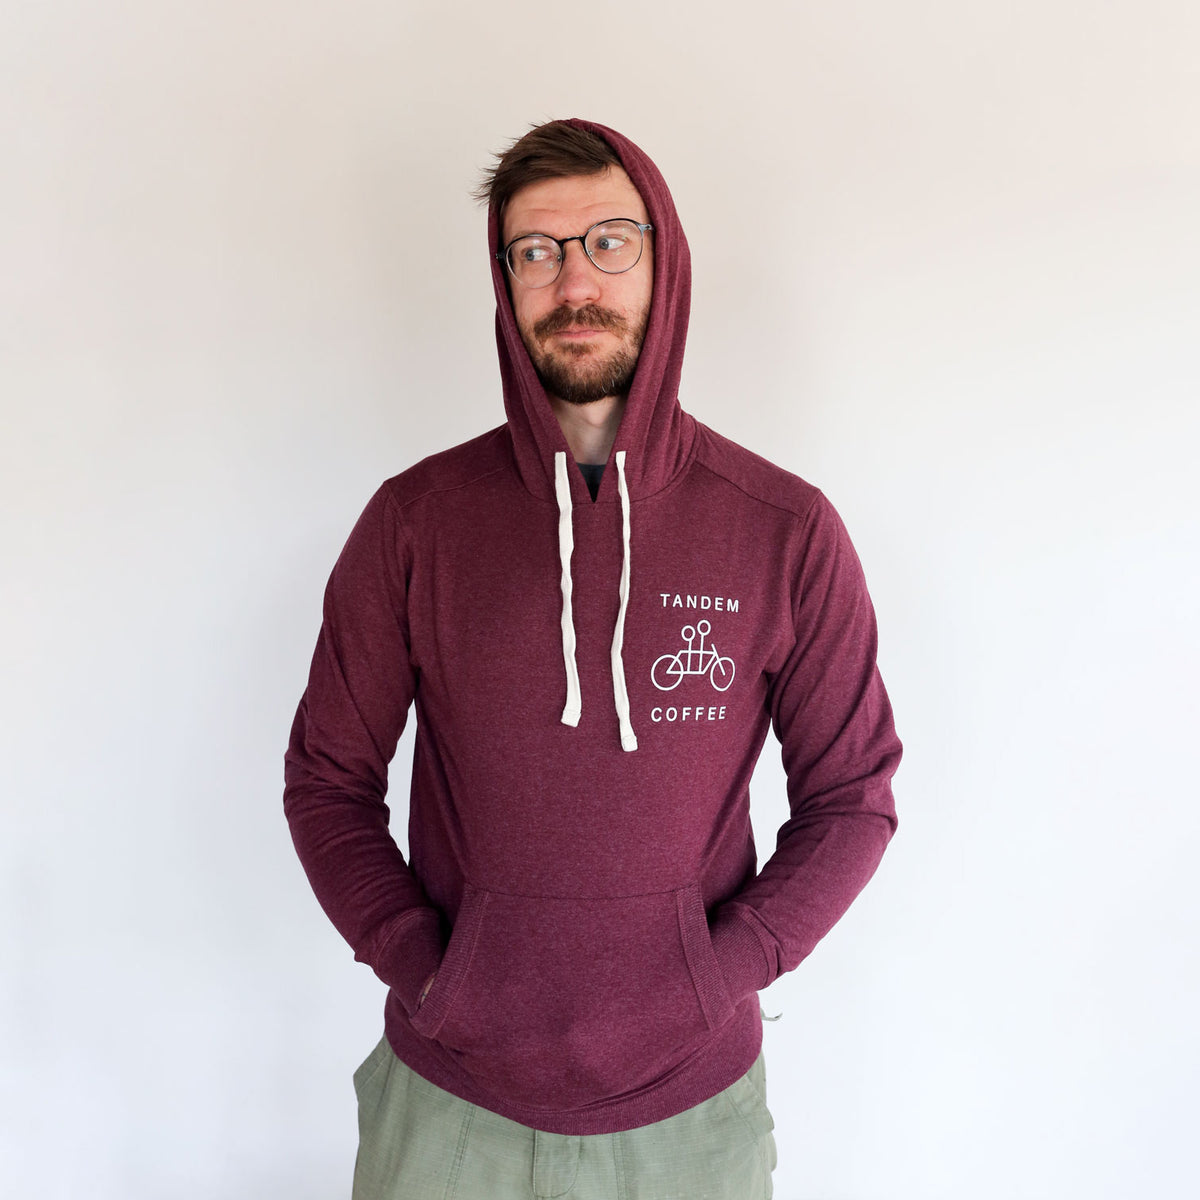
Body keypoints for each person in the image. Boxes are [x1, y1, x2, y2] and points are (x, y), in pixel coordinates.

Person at [284, 118, 902, 1199]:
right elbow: (326, 781)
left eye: (609, 241)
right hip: (449, 1109)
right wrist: (428, 971)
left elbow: (854, 795)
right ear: (505, 282)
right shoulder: (414, 524)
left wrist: (724, 973)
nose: (575, 279)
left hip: (692, 1117)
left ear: (665, 263)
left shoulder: (785, 528)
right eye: (537, 251)